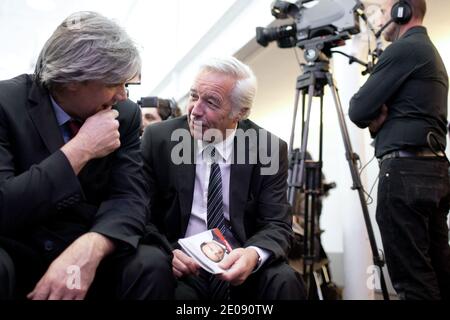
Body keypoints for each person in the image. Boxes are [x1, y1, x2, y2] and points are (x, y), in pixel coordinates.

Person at [0, 11, 174, 300]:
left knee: (149, 265)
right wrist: (81, 150)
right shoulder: (6, 104)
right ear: (72, 79)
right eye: (114, 83)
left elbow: (130, 197)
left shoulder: (124, 115)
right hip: (19, 246)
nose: (123, 95)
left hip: (89, 243)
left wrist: (92, 246)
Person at [141, 56, 306, 300]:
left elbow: (277, 223)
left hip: (240, 262)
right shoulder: (159, 139)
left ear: (241, 112)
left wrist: (253, 254)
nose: (195, 111)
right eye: (194, 96)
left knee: (285, 280)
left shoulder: (268, 148)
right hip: (180, 261)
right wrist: (167, 252)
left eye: (211, 102)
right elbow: (139, 211)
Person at [349, 0, 450, 300]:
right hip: (433, 171)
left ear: (401, 11)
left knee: (413, 282)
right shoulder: (428, 52)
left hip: (405, 175)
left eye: (381, 10)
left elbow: (358, 109)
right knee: (437, 275)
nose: (377, 19)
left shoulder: (403, 49)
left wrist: (379, 120)